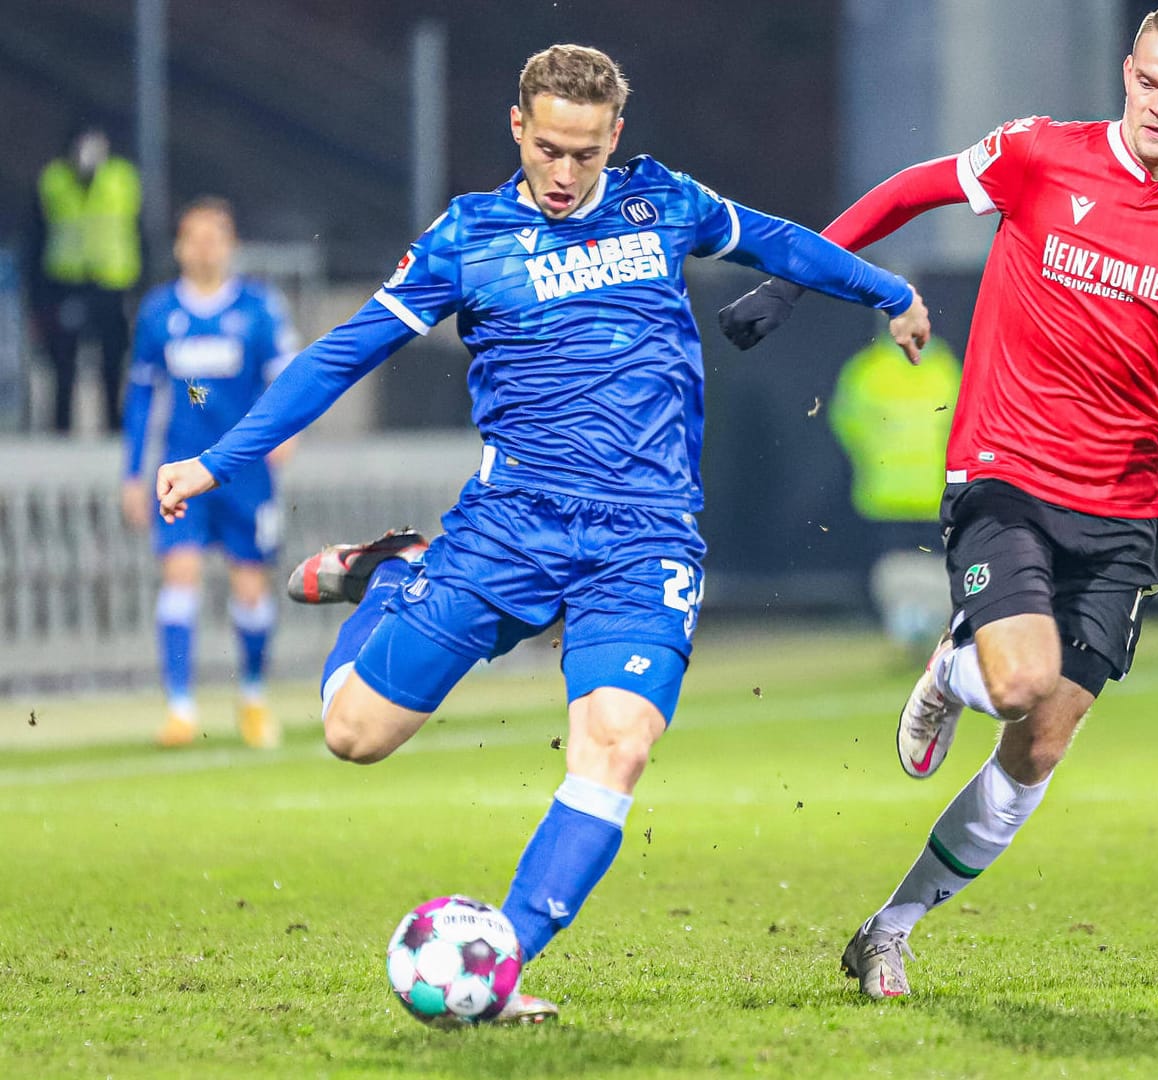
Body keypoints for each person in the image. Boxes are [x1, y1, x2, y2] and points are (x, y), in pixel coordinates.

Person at [153, 44, 930, 1023]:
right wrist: (221, 458)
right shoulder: (467, 239)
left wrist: (890, 292)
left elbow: (778, 242)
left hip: (643, 540)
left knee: (616, 746)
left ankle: (499, 962)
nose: (565, 175)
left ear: (614, 139)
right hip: (508, 531)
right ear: (518, 130)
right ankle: (395, 575)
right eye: (549, 149)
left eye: (585, 154)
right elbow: (346, 349)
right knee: (353, 733)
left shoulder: (663, 204)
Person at [718, 2, 1158, 999]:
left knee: (1041, 740)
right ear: (1126, 73)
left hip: (1124, 509)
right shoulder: (1040, 155)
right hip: (1005, 474)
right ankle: (952, 670)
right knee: (1017, 681)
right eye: (1148, 81)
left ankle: (888, 928)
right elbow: (907, 192)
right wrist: (800, 280)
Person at [124, 197, 298, 749]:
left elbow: (287, 377)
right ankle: (179, 708)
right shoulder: (158, 313)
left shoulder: (258, 308)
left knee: (250, 588)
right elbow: (139, 394)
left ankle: (251, 696)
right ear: (178, 246)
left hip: (244, 472)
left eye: (214, 237)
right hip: (180, 469)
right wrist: (133, 472)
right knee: (179, 576)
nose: (204, 247)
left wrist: (287, 430)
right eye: (193, 237)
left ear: (230, 245)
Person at [827, 331, 961, 651]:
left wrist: (873, 457)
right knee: (910, 568)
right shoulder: (942, 367)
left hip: (898, 493)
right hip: (917, 493)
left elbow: (846, 422)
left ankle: (917, 631)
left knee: (910, 569)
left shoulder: (868, 368)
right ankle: (916, 633)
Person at [29, 126, 143, 433]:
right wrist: (38, 296)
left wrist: (141, 284)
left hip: (112, 282)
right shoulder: (54, 180)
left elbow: (139, 229)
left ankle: (113, 424)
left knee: (113, 358)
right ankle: (61, 425)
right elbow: (37, 235)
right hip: (65, 282)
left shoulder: (122, 177)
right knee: (63, 360)